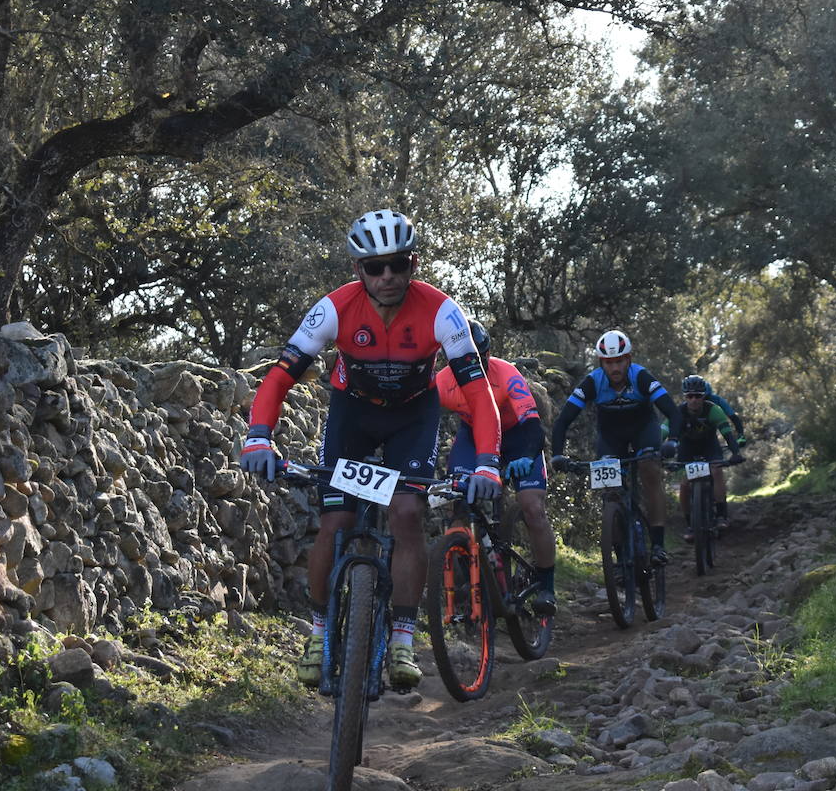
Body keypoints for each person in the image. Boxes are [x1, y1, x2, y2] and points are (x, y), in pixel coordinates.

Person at [238, 209, 502, 690]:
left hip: (412, 418)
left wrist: (487, 463)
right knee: (335, 520)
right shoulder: (334, 309)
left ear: (412, 264)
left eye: (397, 265)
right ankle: (318, 633)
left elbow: (478, 391)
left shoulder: (442, 311)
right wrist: (259, 434)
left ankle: (402, 636)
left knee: (405, 513)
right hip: (353, 415)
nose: (387, 277)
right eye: (374, 268)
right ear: (357, 270)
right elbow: (280, 376)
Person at [436, 319, 559, 615]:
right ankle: (477, 579)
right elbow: (419, 423)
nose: (472, 366)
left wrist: (528, 456)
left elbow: (532, 424)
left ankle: (547, 586)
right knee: (459, 502)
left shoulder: (506, 374)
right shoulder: (442, 382)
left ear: (489, 355)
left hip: (517, 437)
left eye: (479, 358)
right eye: (463, 360)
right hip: (474, 438)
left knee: (532, 508)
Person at [549, 330, 680, 567]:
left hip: (644, 430)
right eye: (609, 363)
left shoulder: (641, 377)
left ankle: (658, 544)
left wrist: (673, 440)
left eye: (620, 361)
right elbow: (563, 421)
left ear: (628, 359)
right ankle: (619, 559)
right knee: (610, 491)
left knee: (650, 469)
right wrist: (557, 454)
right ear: (602, 363)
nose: (615, 368)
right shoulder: (592, 382)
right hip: (611, 436)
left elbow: (672, 411)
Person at [676, 374, 743, 539]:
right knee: (684, 485)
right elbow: (663, 432)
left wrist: (736, 452)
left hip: (709, 446)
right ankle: (690, 524)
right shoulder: (679, 411)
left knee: (717, 471)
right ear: (685, 397)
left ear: (704, 395)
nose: (693, 400)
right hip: (687, 448)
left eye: (698, 396)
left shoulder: (714, 409)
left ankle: (721, 515)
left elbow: (727, 434)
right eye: (689, 396)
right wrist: (658, 449)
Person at [701, 379, 746, 528]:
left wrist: (740, 435)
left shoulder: (717, 401)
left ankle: (722, 512)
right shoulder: (689, 405)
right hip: (696, 441)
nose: (702, 403)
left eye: (705, 398)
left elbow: (733, 418)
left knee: (717, 471)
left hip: (713, 438)